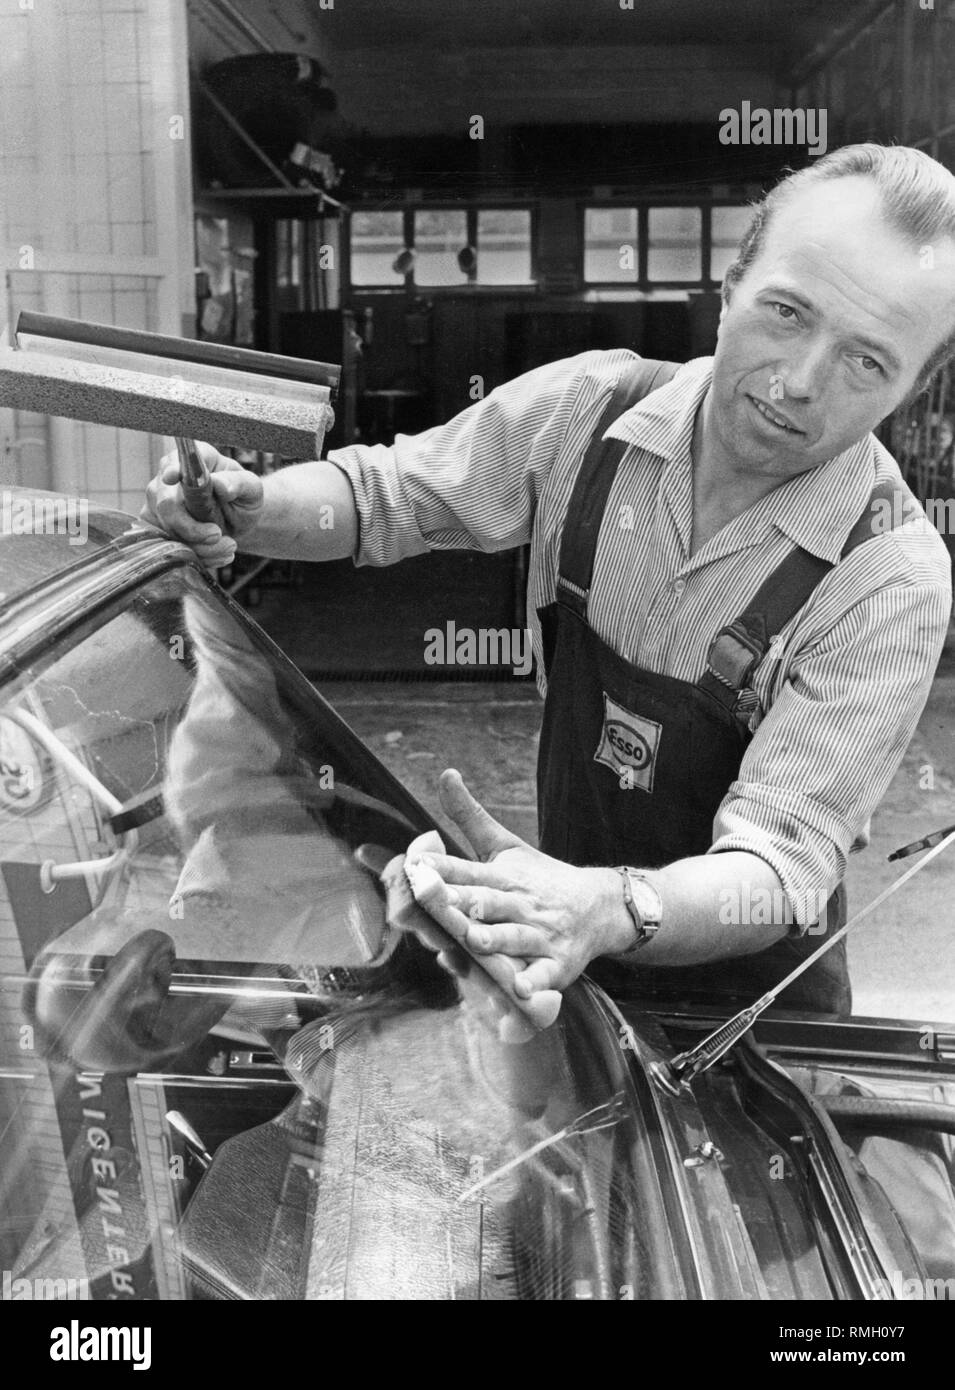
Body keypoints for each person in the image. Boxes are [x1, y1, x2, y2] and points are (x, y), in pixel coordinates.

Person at [143, 143, 955, 1016]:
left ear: (910, 390)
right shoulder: (586, 414)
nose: (798, 382)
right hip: (561, 940)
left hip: (753, 1016)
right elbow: (382, 496)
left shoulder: (888, 575)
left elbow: (778, 866)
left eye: (865, 362)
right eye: (787, 313)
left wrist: (604, 907)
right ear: (728, 290)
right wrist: (252, 505)